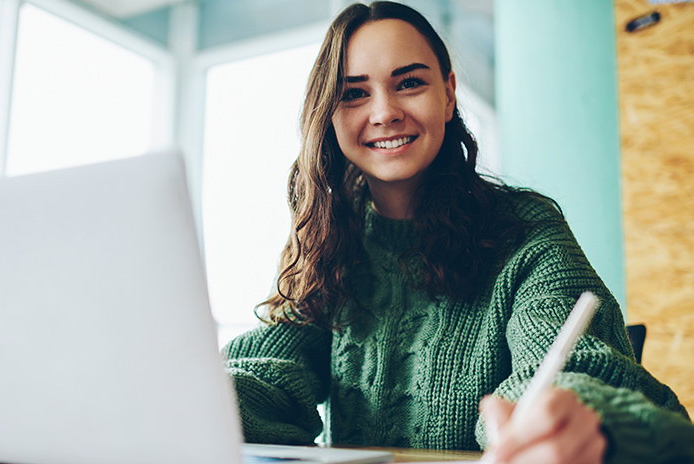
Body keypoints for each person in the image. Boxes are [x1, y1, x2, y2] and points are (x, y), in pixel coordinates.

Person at [221, 2, 694, 463]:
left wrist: (572, 418)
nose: (384, 112)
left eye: (408, 83)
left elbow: (574, 373)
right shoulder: (328, 240)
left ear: (448, 94)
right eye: (354, 93)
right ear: (330, 113)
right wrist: (195, 395)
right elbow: (266, 379)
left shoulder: (526, 231)